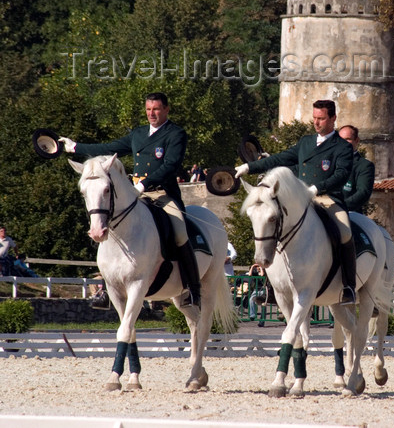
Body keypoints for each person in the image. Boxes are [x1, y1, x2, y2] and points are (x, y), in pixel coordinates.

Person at [59, 92, 202, 309]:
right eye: (148, 109)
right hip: (135, 193)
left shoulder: (176, 134)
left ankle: (193, 289)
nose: (151, 114)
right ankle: (108, 289)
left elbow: (170, 166)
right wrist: (76, 147)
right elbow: (107, 148)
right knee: (111, 224)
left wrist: (143, 185)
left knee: (180, 232)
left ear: (166, 110)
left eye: (156, 109)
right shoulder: (138, 134)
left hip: (162, 193)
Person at [234, 99, 356, 305]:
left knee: (345, 232)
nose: (316, 123)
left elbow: (342, 175)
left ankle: (348, 286)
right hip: (300, 198)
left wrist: (318, 188)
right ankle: (273, 286)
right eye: (315, 118)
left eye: (322, 118)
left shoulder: (342, 147)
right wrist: (249, 167)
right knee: (275, 226)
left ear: (333, 118)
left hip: (327, 198)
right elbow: (279, 158)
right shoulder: (305, 143)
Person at [338, 125, 375, 213]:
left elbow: (363, 193)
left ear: (356, 140)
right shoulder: (328, 161)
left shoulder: (364, 166)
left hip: (349, 213)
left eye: (347, 139)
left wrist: (340, 206)